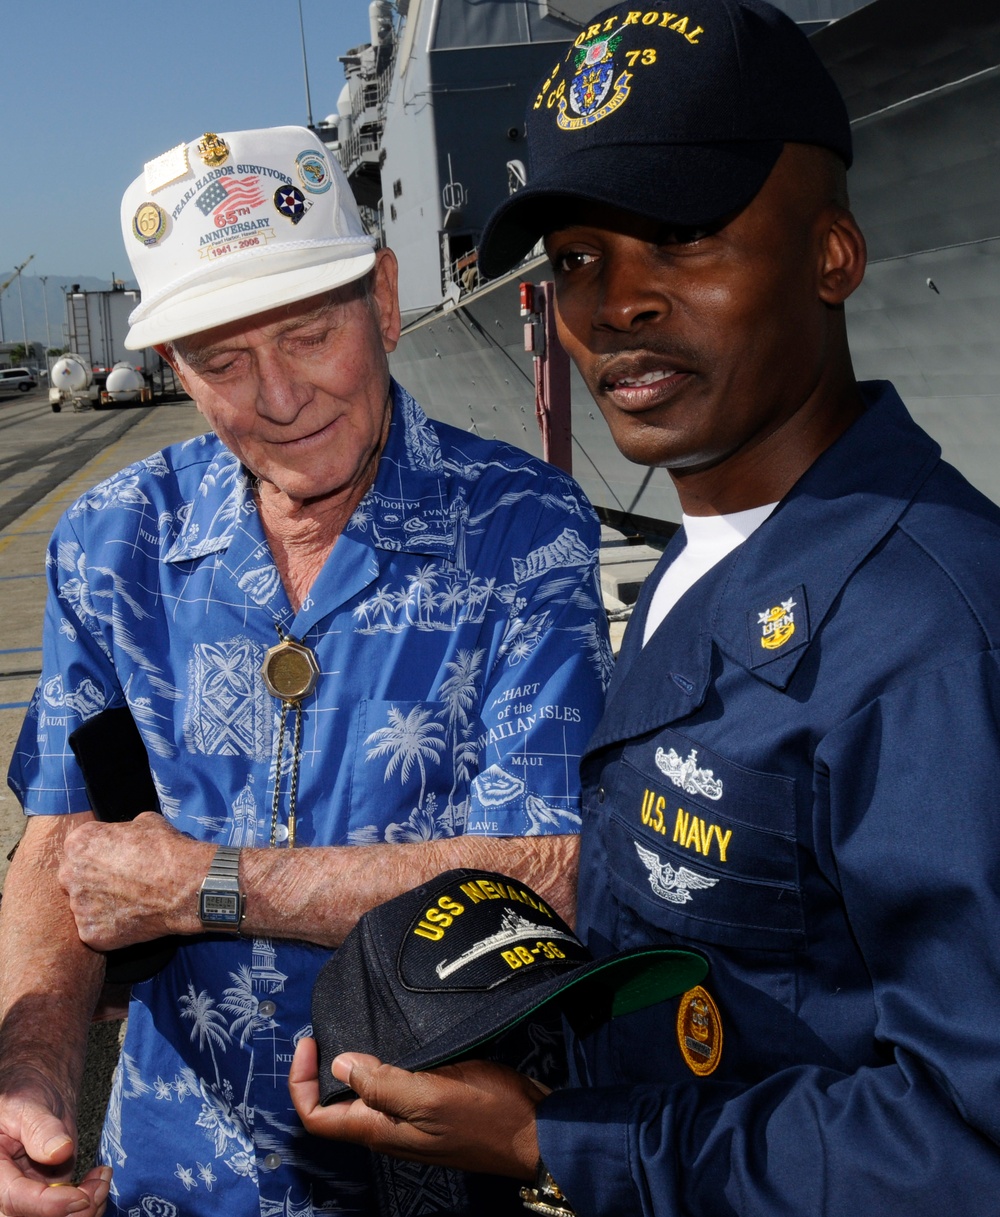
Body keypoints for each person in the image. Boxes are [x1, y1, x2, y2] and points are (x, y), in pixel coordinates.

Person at [289, 3, 1000, 1214]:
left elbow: (968, 1143)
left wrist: (559, 1140)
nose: (613, 303)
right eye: (574, 259)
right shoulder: (701, 552)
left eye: (680, 236)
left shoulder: (932, 642)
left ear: (832, 254)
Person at [0, 126, 611, 1217]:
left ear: (381, 301)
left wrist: (200, 885)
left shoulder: (524, 529)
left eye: (308, 332)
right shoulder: (110, 542)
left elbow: (550, 865)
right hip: (173, 1178)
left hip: (440, 1175)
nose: (278, 397)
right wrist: (32, 1074)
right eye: (222, 362)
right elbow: (65, 838)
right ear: (171, 366)